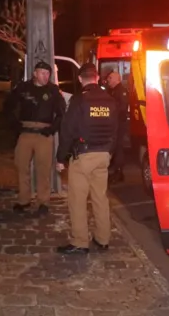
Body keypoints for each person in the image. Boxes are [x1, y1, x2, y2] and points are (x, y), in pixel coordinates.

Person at [56, 63, 117, 254]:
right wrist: (110, 151)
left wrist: (61, 158)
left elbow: (67, 130)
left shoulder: (79, 100)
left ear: (81, 79)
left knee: (78, 200)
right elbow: (117, 129)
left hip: (83, 155)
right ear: (97, 78)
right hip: (103, 155)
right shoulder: (110, 99)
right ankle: (103, 238)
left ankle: (80, 241)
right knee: (100, 197)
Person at [4, 61, 66, 215]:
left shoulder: (53, 90)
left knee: (43, 169)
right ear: (35, 73)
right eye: (43, 73)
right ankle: (24, 200)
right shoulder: (23, 88)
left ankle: (43, 201)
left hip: (44, 133)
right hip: (25, 132)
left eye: (48, 74)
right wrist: (15, 125)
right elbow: (8, 106)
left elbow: (61, 113)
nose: (46, 76)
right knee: (21, 166)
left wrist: (52, 129)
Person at [105, 71, 128, 183]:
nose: (108, 80)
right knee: (114, 147)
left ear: (116, 79)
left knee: (118, 147)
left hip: (119, 123)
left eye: (110, 78)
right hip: (113, 123)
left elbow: (122, 108)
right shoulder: (112, 91)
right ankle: (116, 171)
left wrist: (111, 113)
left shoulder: (121, 91)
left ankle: (119, 172)